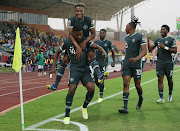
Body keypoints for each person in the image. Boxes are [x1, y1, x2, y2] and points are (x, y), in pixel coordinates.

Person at [49, 25, 107, 124]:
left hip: (85, 69)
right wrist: (53, 67)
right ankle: (67, 116)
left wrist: (103, 51)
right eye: (77, 35)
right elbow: (57, 52)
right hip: (75, 69)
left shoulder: (85, 41)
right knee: (71, 89)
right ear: (73, 34)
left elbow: (96, 46)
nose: (79, 36)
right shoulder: (67, 42)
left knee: (92, 88)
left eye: (81, 34)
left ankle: (84, 107)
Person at [46, 2, 108, 91]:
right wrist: (78, 47)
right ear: (75, 11)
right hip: (73, 42)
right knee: (65, 60)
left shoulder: (89, 20)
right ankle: (55, 85)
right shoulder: (71, 20)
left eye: (81, 11)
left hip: (85, 42)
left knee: (90, 56)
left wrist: (84, 43)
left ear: (84, 11)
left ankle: (99, 75)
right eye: (77, 11)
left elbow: (93, 34)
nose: (79, 13)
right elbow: (70, 35)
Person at [118, 17, 147, 114]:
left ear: (130, 28)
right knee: (126, 83)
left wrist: (135, 59)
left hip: (137, 64)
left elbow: (144, 51)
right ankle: (125, 108)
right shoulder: (126, 38)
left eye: (126, 27)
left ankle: (140, 98)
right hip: (127, 64)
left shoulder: (140, 36)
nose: (125, 29)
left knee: (137, 85)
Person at [147, 25, 177, 103]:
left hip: (168, 63)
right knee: (160, 79)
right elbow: (150, 49)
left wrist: (165, 47)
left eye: (163, 29)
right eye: (161, 29)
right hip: (160, 63)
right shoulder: (158, 40)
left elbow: (175, 50)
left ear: (167, 31)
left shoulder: (171, 40)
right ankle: (161, 98)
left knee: (169, 79)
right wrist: (148, 41)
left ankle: (170, 93)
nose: (161, 31)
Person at [94, 29, 115, 103]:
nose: (102, 34)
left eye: (103, 33)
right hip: (96, 62)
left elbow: (113, 52)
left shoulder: (108, 42)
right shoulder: (96, 42)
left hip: (104, 63)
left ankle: (100, 97)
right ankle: (101, 87)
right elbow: (92, 51)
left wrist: (113, 62)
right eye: (101, 33)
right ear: (99, 34)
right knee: (95, 79)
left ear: (105, 35)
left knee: (101, 78)